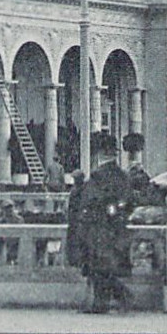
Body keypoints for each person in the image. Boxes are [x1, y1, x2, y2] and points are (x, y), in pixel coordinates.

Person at [65, 133, 137, 313]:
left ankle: (117, 297)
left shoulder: (99, 177)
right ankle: (102, 302)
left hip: (97, 229)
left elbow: (90, 202)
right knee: (101, 267)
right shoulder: (121, 176)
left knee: (98, 266)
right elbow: (128, 202)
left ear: (100, 153)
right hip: (113, 228)